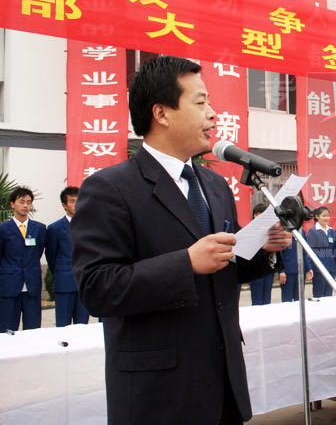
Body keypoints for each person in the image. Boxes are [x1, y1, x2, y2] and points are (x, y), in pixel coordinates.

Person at [71, 56, 291, 425]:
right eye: (200, 102)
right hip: (159, 391)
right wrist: (185, 263)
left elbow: (223, 266)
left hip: (222, 381)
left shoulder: (215, 185)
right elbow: (98, 289)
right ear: (161, 113)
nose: (213, 114)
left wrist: (263, 248)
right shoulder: (110, 188)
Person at [0, 186, 46, 333]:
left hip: (32, 285)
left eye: (28, 202)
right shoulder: (3, 229)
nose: (25, 205)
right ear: (12, 204)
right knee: (7, 330)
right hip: (9, 285)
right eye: (21, 202)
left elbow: (38, 252)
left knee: (33, 329)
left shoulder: (39, 228)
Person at [46, 186, 89, 326]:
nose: (76, 204)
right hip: (64, 283)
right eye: (72, 201)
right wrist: (61, 272)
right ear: (64, 205)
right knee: (63, 325)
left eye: (78, 200)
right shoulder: (55, 228)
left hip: (84, 282)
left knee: (82, 325)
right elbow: (51, 256)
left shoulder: (89, 226)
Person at [307, 206, 336, 298]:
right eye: (323, 216)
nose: (326, 218)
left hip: (331, 268)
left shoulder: (331, 231)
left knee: (329, 295)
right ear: (317, 216)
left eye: (328, 216)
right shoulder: (313, 231)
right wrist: (309, 268)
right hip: (319, 268)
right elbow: (309, 251)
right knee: (319, 295)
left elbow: (334, 250)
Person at [249, 203, 275, 305]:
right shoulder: (250, 230)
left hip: (268, 269)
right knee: (257, 299)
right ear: (255, 215)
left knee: (267, 298)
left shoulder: (270, 230)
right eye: (262, 214)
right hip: (255, 269)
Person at [279, 230, 313, 302]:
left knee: (299, 299)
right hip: (287, 273)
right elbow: (279, 254)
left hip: (300, 272)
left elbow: (305, 251)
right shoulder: (282, 232)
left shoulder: (302, 232)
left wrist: (309, 268)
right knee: (287, 300)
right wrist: (281, 271)